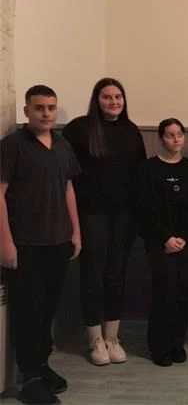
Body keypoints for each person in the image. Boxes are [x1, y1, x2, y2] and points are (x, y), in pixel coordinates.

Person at [0, 85, 81, 404]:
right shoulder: (12, 146)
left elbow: (68, 189)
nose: (46, 113)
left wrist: (76, 232)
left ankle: (42, 365)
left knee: (48, 308)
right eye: (39, 108)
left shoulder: (62, 145)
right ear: (26, 111)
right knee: (28, 311)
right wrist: (6, 243)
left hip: (58, 241)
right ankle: (30, 378)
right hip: (25, 243)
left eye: (51, 107)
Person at [62, 78, 146, 366]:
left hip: (124, 216)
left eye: (118, 97)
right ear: (96, 100)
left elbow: (139, 176)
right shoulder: (79, 129)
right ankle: (95, 339)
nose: (113, 102)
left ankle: (112, 337)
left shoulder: (131, 130)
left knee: (116, 276)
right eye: (107, 97)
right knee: (92, 276)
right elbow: (66, 174)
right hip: (90, 215)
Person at [137, 118, 188, 367]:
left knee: (184, 292)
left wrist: (183, 236)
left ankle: (177, 343)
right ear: (161, 138)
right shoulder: (148, 168)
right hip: (158, 241)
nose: (175, 139)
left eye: (179, 134)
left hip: (186, 240)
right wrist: (165, 238)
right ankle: (159, 346)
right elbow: (145, 209)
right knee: (163, 291)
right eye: (170, 135)